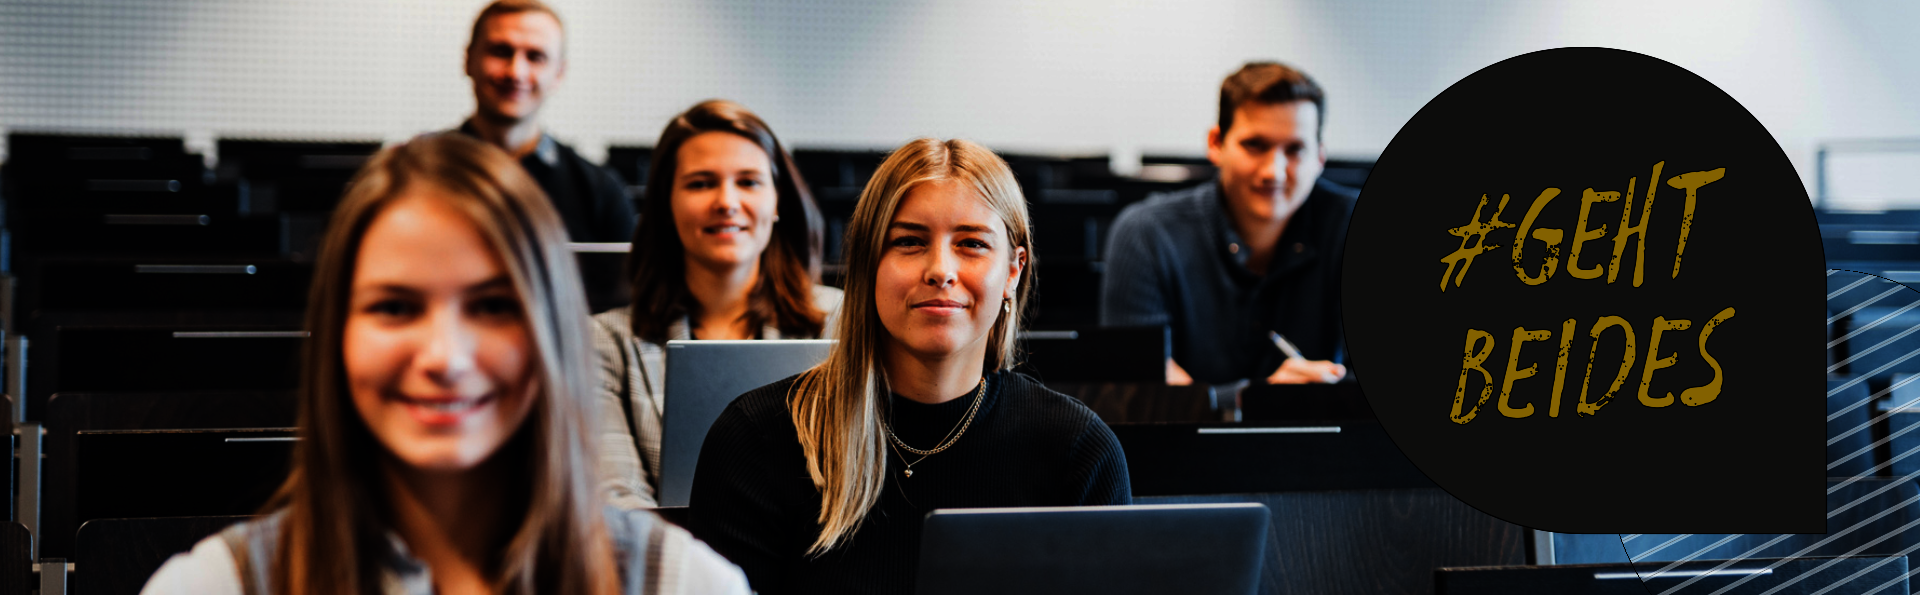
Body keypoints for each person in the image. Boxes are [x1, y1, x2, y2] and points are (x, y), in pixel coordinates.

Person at [140, 134, 746, 595]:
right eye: (395, 307)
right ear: (337, 336)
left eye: (491, 307)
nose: (445, 358)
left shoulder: (684, 583)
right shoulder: (213, 585)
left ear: (553, 336)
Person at [688, 138, 1131, 594]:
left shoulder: (1076, 452)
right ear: (867, 263)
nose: (941, 269)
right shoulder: (756, 440)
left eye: (972, 244)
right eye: (910, 242)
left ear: (1013, 271)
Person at [592, 99, 841, 509]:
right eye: (701, 183)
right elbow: (616, 502)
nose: (726, 201)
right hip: (669, 566)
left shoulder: (842, 322)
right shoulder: (605, 342)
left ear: (777, 201)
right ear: (666, 204)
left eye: (748, 182)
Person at [1101, 61, 1356, 387]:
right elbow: (1141, 392)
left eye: (1295, 150)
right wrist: (1258, 400)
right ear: (1216, 143)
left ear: (1319, 158)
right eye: (1255, 146)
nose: (1273, 172)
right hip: (1185, 440)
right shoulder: (1147, 235)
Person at [456, 0, 635, 243]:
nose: (515, 72)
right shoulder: (416, 177)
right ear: (468, 60)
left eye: (536, 57)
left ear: (558, 73)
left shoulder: (602, 193)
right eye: (500, 51)